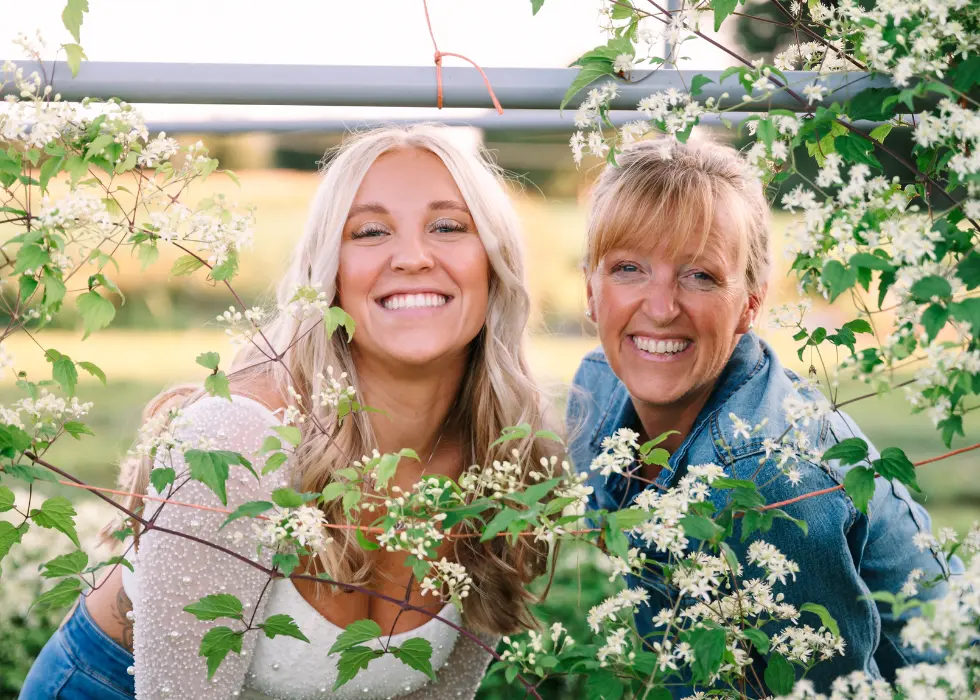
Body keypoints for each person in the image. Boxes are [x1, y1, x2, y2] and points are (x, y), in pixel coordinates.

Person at [21, 125, 551, 700]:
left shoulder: (509, 459)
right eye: (370, 231)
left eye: (448, 227)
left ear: (495, 263)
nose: (414, 257)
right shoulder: (239, 438)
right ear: (331, 274)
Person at [566, 138, 961, 695]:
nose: (660, 307)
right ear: (590, 288)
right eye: (629, 268)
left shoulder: (768, 480)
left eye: (699, 275)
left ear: (751, 301)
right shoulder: (597, 388)